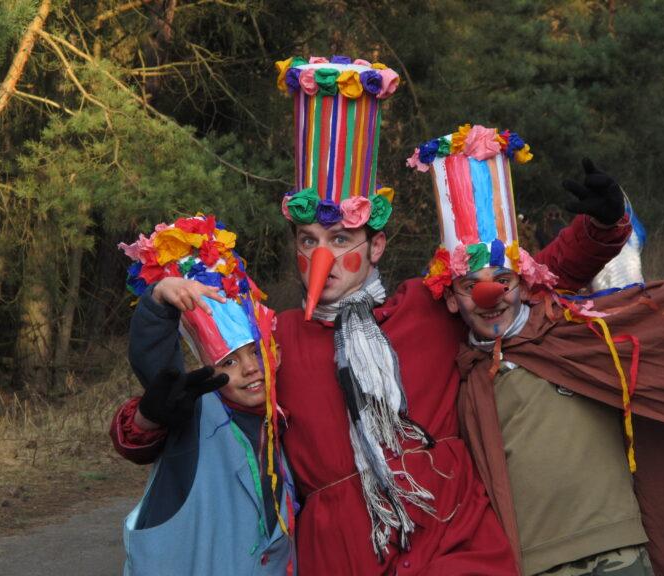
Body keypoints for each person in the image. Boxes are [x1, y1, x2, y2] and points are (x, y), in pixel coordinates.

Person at [113, 57, 631, 575]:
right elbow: (171, 422)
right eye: (308, 241)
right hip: (342, 554)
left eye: (341, 240)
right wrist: (153, 387)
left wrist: (601, 226)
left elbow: (524, 281)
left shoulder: (427, 307)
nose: (323, 257)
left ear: (376, 244)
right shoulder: (277, 339)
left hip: (455, 538)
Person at [410, 126, 664, 576]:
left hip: (621, 551)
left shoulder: (569, 330)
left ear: (522, 281)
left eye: (503, 281)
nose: (492, 297)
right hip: (537, 565)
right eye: (472, 286)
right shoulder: (459, 365)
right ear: (451, 297)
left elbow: (568, 259)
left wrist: (605, 222)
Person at [113, 213, 297, 576]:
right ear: (207, 371)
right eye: (228, 362)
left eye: (256, 352)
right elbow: (159, 375)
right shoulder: (196, 413)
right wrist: (160, 300)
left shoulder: (282, 416)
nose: (249, 369)